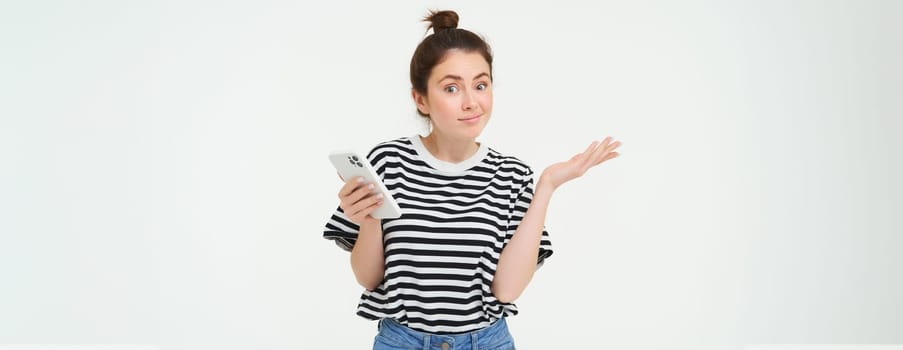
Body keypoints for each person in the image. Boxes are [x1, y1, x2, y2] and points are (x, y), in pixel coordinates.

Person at [323, 9, 621, 350]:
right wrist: (369, 217)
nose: (471, 102)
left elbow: (506, 291)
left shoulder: (512, 175)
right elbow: (368, 277)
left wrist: (547, 186)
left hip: (486, 342)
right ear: (420, 99)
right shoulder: (387, 162)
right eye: (451, 88)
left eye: (481, 85)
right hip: (401, 341)